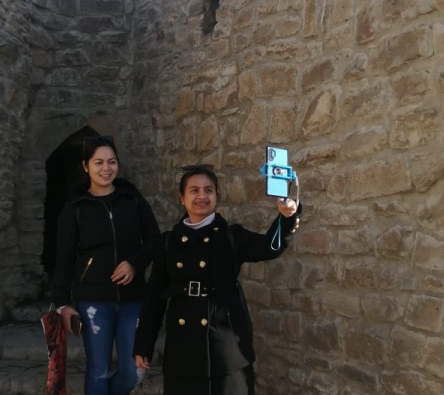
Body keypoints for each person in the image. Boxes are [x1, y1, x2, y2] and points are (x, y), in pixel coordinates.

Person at [133, 164, 301, 395]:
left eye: (208, 190)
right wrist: (143, 345)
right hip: (183, 353)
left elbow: (268, 247)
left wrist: (286, 218)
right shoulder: (168, 243)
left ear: (217, 196)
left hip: (226, 351)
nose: (202, 196)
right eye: (194, 190)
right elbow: (154, 298)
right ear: (182, 198)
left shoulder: (231, 237)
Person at [53, 135, 161, 395]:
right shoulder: (75, 207)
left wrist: (134, 263)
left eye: (111, 161)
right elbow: (64, 257)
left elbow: (155, 240)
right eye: (98, 162)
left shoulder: (132, 198)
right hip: (93, 301)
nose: (106, 168)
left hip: (133, 299)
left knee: (133, 371)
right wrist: (62, 304)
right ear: (86, 166)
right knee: (98, 369)